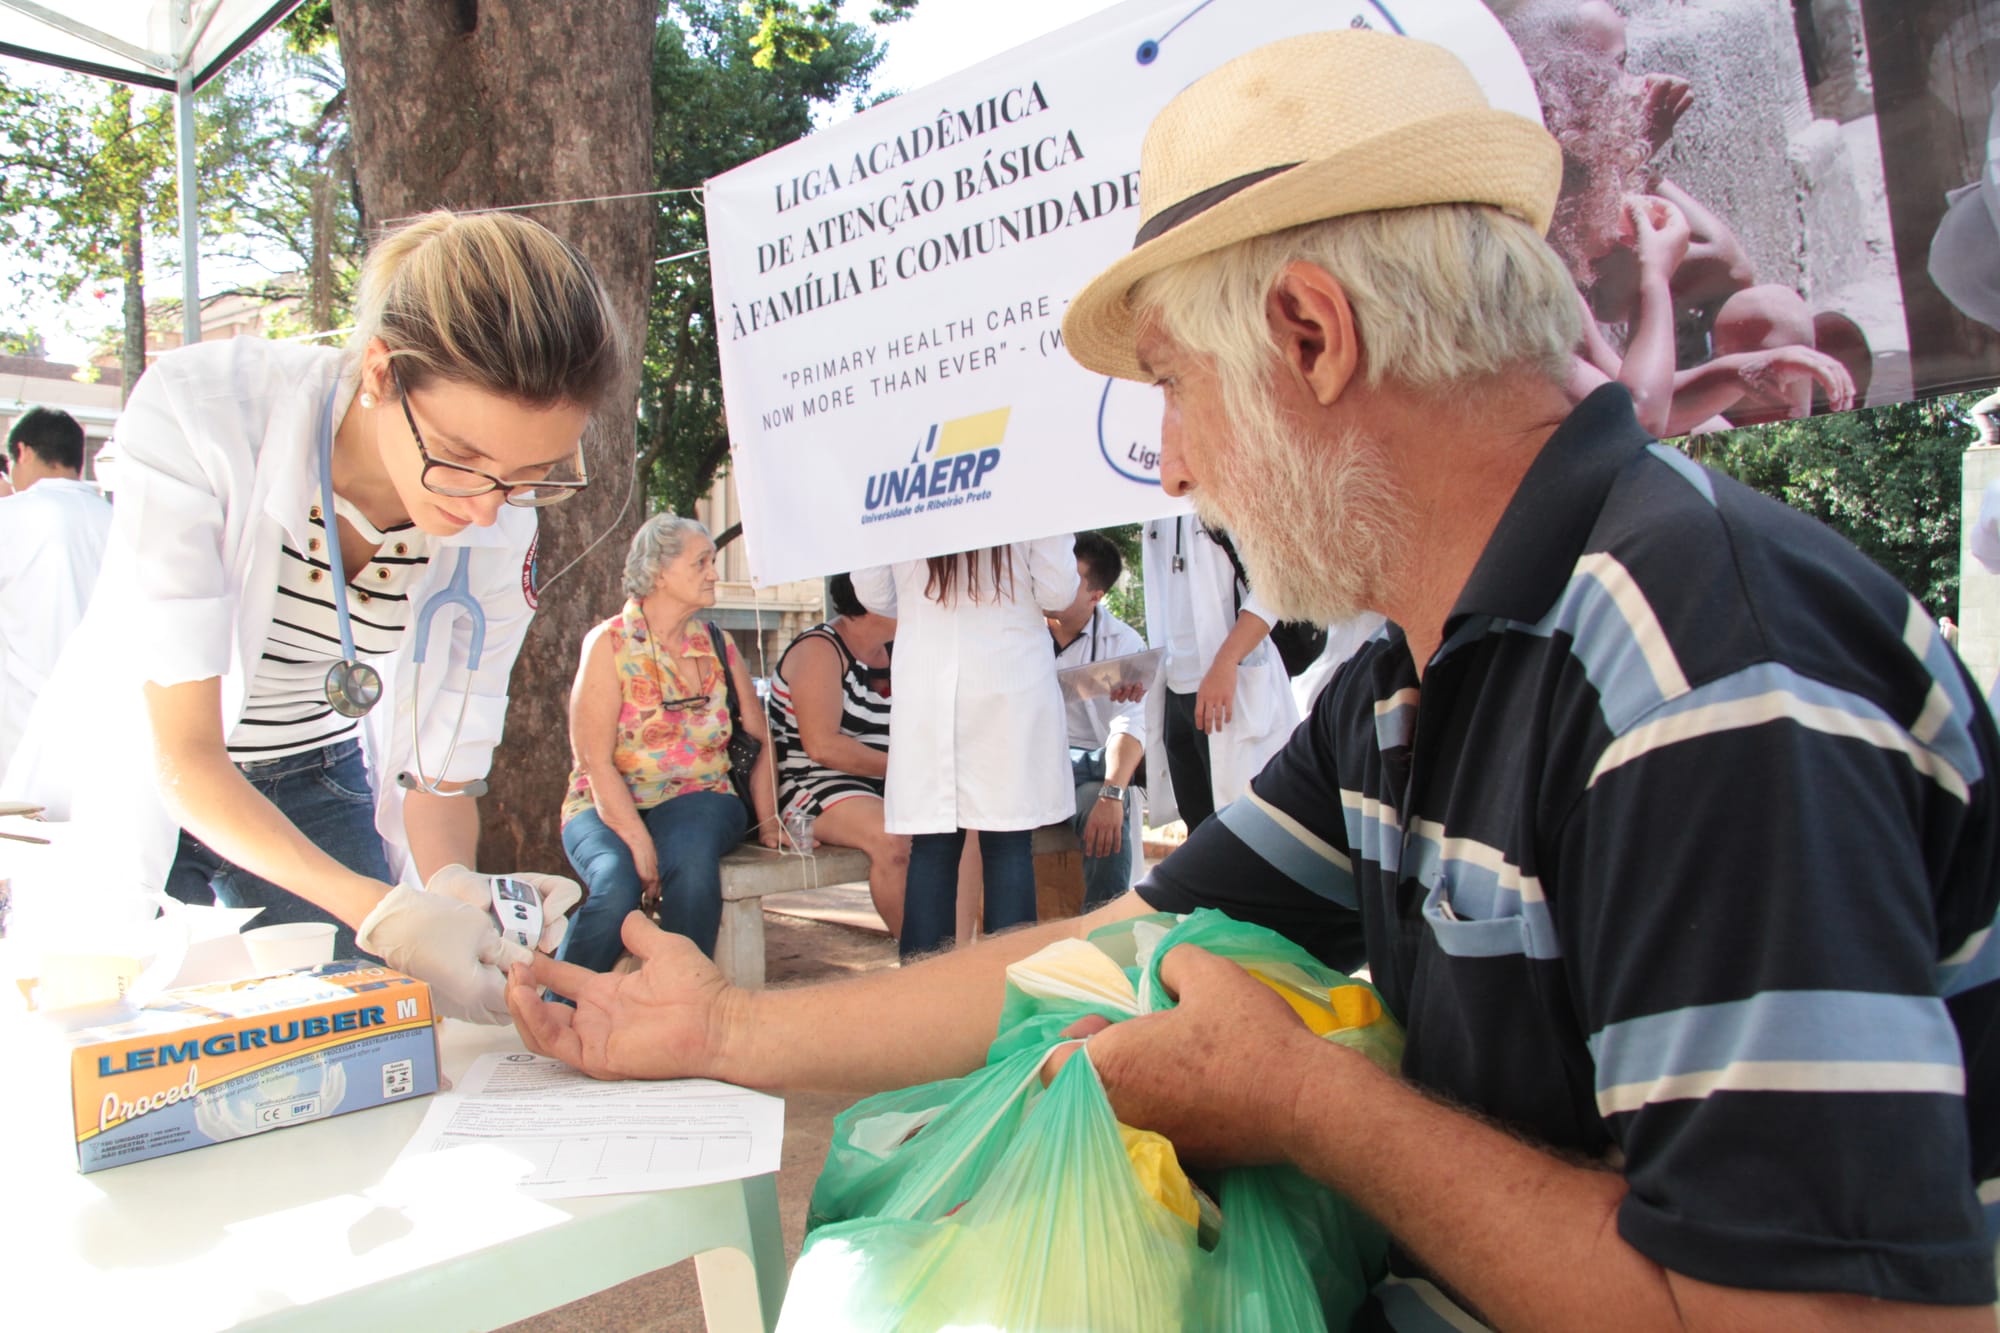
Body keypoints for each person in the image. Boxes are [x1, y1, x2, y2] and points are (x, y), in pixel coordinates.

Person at [511, 30, 1999, 1329]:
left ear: (1311, 333)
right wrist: (727, 1035)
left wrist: (1305, 1103)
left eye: (1170, 382)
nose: (1171, 460)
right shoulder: (1413, 679)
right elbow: (1114, 941)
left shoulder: (1698, 672)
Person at [5, 210, 615, 1022]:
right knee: (139, 1041)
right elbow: (185, 752)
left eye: (528, 473)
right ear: (380, 371)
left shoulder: (503, 529)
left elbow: (440, 770)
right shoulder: (202, 414)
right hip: (161, 771)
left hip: (315, 775)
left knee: (368, 1034)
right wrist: (382, 909)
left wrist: (451, 891)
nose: (483, 509)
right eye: (461, 459)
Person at [558, 513, 776, 971]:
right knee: (615, 884)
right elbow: (594, 761)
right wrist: (637, 843)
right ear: (659, 572)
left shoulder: (718, 644)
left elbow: (759, 741)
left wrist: (771, 820)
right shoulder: (609, 643)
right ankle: (561, 1006)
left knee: (691, 862)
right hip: (606, 802)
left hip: (702, 798)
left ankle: (680, 1002)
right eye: (701, 563)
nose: (714, 573)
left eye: (712, 562)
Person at [852, 540, 1077, 958]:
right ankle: (1003, 996)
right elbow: (1058, 593)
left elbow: (874, 594)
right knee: (1008, 845)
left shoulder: (905, 481)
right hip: (1007, 684)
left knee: (932, 847)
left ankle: (921, 1000)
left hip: (928, 687)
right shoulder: (1027, 485)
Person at [1139, 513, 1298, 832]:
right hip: (1175, 690)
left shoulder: (1230, 491)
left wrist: (1226, 662)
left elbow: (1279, 578)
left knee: (1249, 828)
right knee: (1199, 828)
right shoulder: (1153, 507)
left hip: (1230, 682)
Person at [766, 573, 905, 933]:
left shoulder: (900, 647)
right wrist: (910, 768)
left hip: (884, 781)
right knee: (895, 838)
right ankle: (926, 962)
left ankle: (964, 947)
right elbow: (823, 747)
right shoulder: (819, 649)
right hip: (811, 786)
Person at [0, 408, 112, 768]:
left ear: (24, 451)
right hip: (105, 722)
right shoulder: (117, 521)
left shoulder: (12, 516)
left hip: (22, 724)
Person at [1048, 531, 1147, 906]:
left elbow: (1131, 723)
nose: (1053, 586)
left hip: (1084, 781)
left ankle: (1104, 933)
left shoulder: (1123, 644)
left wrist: (1111, 792)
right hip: (1024, 770)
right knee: (1091, 766)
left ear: (1096, 595)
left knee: (1103, 803)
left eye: (1070, 581)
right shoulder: (1020, 633)